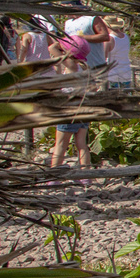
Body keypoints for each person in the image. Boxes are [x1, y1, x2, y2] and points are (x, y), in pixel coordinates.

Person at [49, 34, 93, 175]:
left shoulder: (71, 65)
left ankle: (54, 174)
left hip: (70, 108)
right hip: (83, 107)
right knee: (82, 144)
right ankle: (86, 175)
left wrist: (62, 43)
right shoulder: (84, 67)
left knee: (61, 144)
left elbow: (52, 48)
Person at [104, 17, 133, 88]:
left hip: (113, 73)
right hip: (126, 71)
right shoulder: (126, 36)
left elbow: (103, 57)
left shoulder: (109, 39)